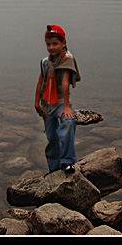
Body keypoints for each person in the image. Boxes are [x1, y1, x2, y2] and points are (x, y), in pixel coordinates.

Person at [34, 24, 81, 174]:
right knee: (52, 137)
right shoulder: (45, 62)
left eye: (55, 44)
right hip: (47, 103)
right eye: (48, 44)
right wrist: (36, 103)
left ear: (63, 43)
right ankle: (53, 168)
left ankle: (68, 161)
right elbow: (40, 82)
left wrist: (67, 106)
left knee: (68, 123)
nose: (52, 47)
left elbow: (65, 82)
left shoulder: (67, 59)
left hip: (60, 102)